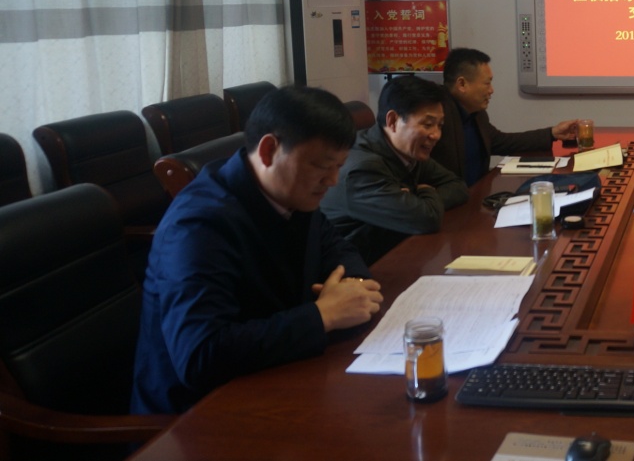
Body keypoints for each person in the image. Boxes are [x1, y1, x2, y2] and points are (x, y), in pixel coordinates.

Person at [132, 86, 384, 415]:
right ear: (269, 150)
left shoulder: (290, 192)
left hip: (278, 380)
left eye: (339, 166)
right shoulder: (198, 225)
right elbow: (200, 357)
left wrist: (354, 287)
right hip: (196, 418)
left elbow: (337, 249)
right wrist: (323, 315)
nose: (333, 180)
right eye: (323, 166)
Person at [321, 76, 469, 264]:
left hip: (399, 254)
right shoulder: (361, 169)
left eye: (440, 125)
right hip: (359, 269)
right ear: (392, 120)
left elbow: (457, 185)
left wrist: (416, 200)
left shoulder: (408, 151)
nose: (436, 135)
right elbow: (426, 219)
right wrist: (422, 200)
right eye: (427, 124)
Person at [430, 47, 579, 185]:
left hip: (476, 195)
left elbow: (503, 142)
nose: (491, 90)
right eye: (487, 83)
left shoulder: (476, 114)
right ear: (462, 84)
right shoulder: (436, 117)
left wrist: (552, 133)